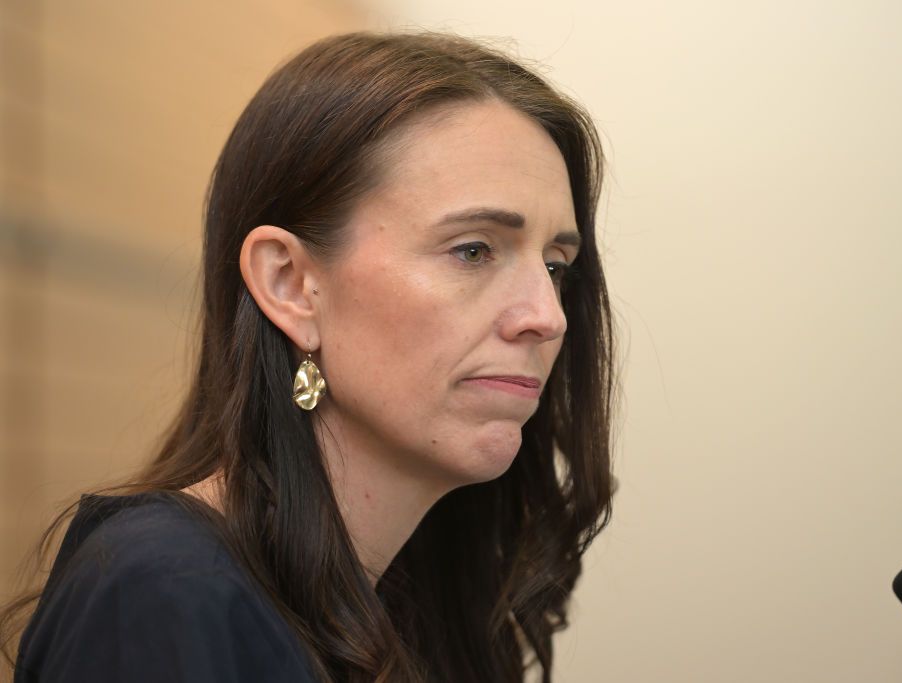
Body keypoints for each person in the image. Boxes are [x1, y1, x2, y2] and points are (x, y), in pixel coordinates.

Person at [1, 30, 616, 682]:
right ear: (291, 285)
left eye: (557, 266)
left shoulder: (411, 604)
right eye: (473, 250)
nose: (547, 316)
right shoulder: (162, 591)